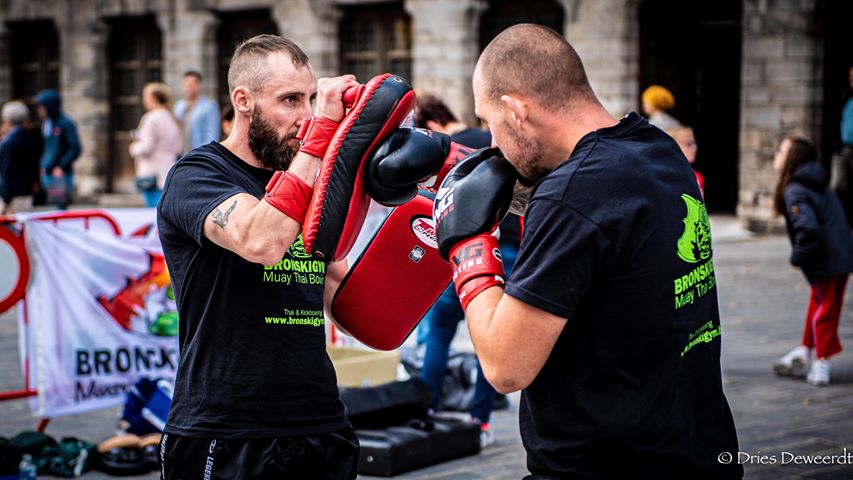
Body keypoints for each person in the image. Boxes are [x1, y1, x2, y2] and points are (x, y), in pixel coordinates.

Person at [433, 24, 742, 478]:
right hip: (696, 447)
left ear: (516, 110)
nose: (492, 143)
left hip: (604, 463)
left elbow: (505, 366)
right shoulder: (656, 149)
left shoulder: (574, 193)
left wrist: (466, 244)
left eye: (488, 121)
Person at [157, 35, 360, 478]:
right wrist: (319, 145)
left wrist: (430, 235)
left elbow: (350, 304)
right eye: (290, 100)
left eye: (311, 99)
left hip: (320, 420)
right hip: (227, 428)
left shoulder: (307, 180)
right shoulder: (198, 174)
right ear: (243, 100)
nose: (306, 117)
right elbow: (261, 241)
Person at [413, 93, 521, 447]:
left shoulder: (443, 152)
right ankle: (481, 420)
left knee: (440, 334)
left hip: (455, 251)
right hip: (505, 248)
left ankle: (424, 411)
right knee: (490, 339)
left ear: (430, 125)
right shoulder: (494, 145)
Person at [771, 136, 853, 386]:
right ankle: (805, 349)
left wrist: (797, 256)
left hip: (827, 259)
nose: (776, 154)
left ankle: (822, 362)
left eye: (782, 150)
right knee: (818, 304)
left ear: (792, 158)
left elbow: (808, 229)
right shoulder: (817, 182)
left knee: (824, 309)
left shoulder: (795, 189)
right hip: (842, 255)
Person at [129, 83, 183, 208]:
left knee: (153, 213)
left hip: (152, 175)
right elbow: (178, 147)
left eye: (145, 96)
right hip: (169, 172)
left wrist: (133, 148)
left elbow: (146, 147)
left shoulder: (151, 118)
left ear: (152, 98)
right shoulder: (171, 117)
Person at [35, 90, 80, 210]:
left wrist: (61, 166)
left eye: (42, 107)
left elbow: (75, 148)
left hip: (59, 173)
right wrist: (43, 165)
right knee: (54, 206)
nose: (39, 110)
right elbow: (47, 147)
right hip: (48, 171)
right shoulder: (48, 123)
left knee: (60, 207)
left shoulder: (65, 123)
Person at [0, 101, 42, 215]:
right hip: (25, 191)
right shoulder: (29, 135)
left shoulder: (10, 141)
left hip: (13, 195)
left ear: (8, 119)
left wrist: (6, 198)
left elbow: (7, 172)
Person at [173, 70, 221, 150]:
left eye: (192, 84)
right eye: (186, 84)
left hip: (199, 154)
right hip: (180, 155)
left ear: (199, 85)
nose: (188, 87)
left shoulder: (209, 106)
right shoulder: (179, 106)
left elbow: (212, 135)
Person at [832, 65, 853, 225]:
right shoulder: (845, 97)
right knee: (838, 185)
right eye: (850, 77)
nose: (851, 81)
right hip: (844, 149)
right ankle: (841, 220)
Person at [669, 125, 704, 198]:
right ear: (674, 146)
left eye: (695, 143)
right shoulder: (665, 176)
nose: (695, 148)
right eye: (689, 144)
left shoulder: (697, 177)